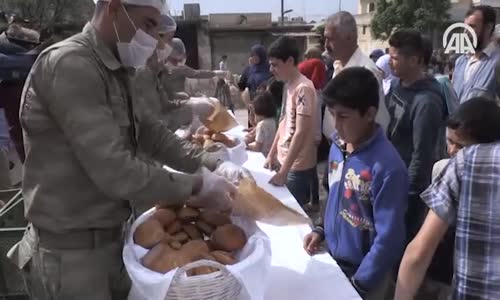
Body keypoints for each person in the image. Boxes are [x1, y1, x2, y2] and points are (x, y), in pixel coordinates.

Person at [7, 1, 237, 298]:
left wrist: (211, 163)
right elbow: (114, 170)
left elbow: (151, 133)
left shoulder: (117, 69)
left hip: (114, 243)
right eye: (148, 24)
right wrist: (196, 185)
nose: (154, 38)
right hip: (72, 258)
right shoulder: (71, 65)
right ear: (114, 8)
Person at [304, 67, 408, 299]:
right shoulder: (337, 148)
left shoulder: (388, 167)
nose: (336, 124)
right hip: (334, 262)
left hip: (365, 278)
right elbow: (334, 197)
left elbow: (389, 237)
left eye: (343, 116)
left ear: (370, 114)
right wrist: (321, 229)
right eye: (332, 114)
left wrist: (361, 283)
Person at [395, 98, 500, 300]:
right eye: (449, 142)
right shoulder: (444, 169)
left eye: (460, 145)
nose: (452, 150)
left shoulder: (466, 164)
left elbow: (419, 253)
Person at [386, 29, 447, 241]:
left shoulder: (427, 101)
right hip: (390, 178)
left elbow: (421, 156)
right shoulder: (395, 84)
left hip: (408, 191)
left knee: (403, 244)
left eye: (394, 58)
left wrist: (405, 194)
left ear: (414, 60)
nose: (390, 62)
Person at [264, 36, 319, 207]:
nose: (271, 69)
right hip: (285, 161)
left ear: (289, 61)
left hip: (297, 166)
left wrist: (284, 171)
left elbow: (301, 131)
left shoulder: (303, 88)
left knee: (292, 215)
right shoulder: (288, 85)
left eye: (275, 64)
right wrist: (272, 154)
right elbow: (283, 121)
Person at [322, 11, 390, 141]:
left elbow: (378, 122)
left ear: (349, 37)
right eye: (325, 39)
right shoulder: (338, 65)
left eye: (331, 39)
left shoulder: (367, 72)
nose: (326, 45)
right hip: (337, 148)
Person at [452, 5, 500, 103]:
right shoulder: (460, 62)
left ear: (488, 27)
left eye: (471, 26)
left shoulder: (497, 62)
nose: (465, 31)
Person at [298, 58, 326, 210]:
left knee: (309, 169)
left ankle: (312, 201)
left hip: (310, 136)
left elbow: (315, 118)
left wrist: (315, 137)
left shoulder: (312, 92)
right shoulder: (314, 90)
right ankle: (313, 199)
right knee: (311, 170)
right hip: (311, 136)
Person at [246, 91, 277, 157]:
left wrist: (246, 146)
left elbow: (257, 148)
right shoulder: (272, 121)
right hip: (271, 154)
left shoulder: (261, 125)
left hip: (262, 156)